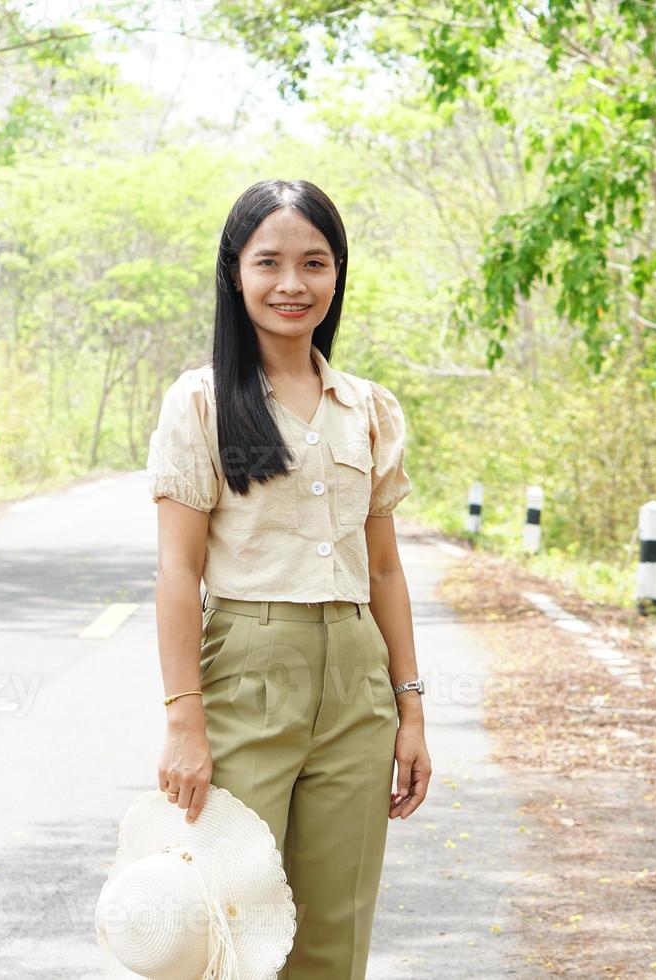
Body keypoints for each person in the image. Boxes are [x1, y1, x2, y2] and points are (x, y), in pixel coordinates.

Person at [146, 178, 432, 979]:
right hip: (248, 667)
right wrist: (183, 722)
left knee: (334, 930)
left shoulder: (368, 409)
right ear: (235, 272)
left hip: (356, 681)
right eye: (268, 262)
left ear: (337, 275)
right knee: (225, 919)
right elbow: (178, 571)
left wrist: (410, 711)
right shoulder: (201, 402)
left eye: (314, 262)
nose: (291, 285)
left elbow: (382, 568)